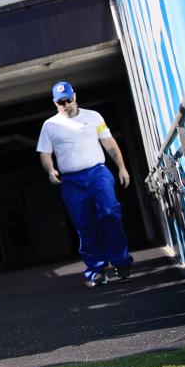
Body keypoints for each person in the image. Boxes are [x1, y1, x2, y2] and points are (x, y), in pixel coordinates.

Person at [36, 81, 133, 287]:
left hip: (97, 173)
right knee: (84, 225)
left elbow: (109, 143)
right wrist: (50, 170)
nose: (66, 105)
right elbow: (45, 153)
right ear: (55, 103)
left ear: (75, 96)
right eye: (61, 102)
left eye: (69, 99)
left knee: (109, 213)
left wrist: (122, 167)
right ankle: (97, 269)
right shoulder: (49, 125)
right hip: (72, 181)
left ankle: (121, 262)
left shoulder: (94, 116)